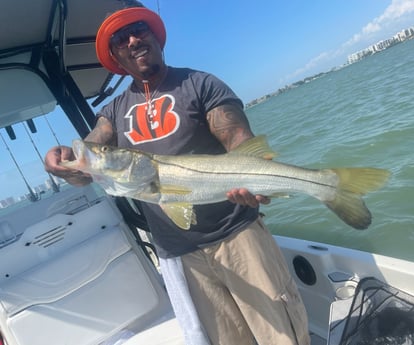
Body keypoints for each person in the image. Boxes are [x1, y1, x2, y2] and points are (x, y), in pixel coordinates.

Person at [45, 6, 310, 345]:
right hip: (180, 254)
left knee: (282, 337)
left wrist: (254, 180)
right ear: (115, 56)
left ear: (156, 36)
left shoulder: (199, 83)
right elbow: (91, 154)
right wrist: (67, 164)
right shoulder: (112, 112)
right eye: (121, 39)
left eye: (140, 29)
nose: (133, 39)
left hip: (238, 238)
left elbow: (239, 141)